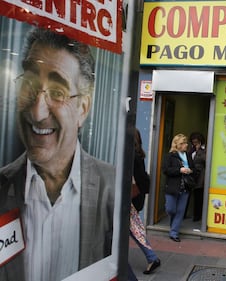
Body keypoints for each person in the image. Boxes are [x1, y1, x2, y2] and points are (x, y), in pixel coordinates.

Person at [0, 28, 115, 281]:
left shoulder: (112, 190)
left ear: (82, 109)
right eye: (29, 84)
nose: (38, 112)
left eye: (58, 92)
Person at [129, 129, 160, 274]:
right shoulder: (138, 155)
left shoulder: (131, 156)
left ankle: (152, 257)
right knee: (133, 229)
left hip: (130, 199)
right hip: (136, 197)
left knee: (134, 230)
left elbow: (135, 179)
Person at [162, 133, 195, 242]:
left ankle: (174, 233)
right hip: (172, 187)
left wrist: (190, 170)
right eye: (184, 143)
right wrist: (179, 170)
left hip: (185, 187)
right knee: (171, 209)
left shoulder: (188, 155)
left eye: (186, 143)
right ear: (178, 145)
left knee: (180, 211)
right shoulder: (170, 156)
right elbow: (166, 170)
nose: (186, 145)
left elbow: (193, 168)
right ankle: (173, 225)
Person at [189, 132, 206, 222]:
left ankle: (197, 216)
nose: (194, 144)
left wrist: (199, 150)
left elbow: (206, 159)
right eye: (193, 142)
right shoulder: (191, 150)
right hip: (191, 175)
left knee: (198, 197)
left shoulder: (204, 150)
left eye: (196, 142)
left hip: (200, 177)